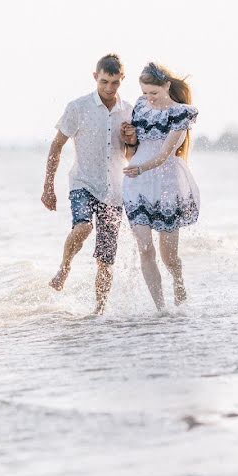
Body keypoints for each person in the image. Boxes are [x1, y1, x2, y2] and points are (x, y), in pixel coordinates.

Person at [41, 53, 139, 315]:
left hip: (114, 192)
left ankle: (99, 312)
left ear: (122, 80)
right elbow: (56, 146)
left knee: (106, 262)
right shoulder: (78, 108)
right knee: (83, 226)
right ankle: (65, 267)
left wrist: (130, 141)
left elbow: (131, 157)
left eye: (115, 83)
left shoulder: (129, 111)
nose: (109, 88)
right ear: (95, 77)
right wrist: (48, 187)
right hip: (82, 183)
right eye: (104, 81)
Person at [122, 62, 200, 311]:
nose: (149, 98)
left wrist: (143, 167)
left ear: (166, 86)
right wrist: (130, 140)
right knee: (145, 248)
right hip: (137, 183)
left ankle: (178, 282)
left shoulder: (181, 113)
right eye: (145, 92)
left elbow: (166, 153)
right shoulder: (141, 106)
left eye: (153, 93)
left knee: (169, 256)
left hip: (166, 182)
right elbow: (132, 150)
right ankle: (161, 309)